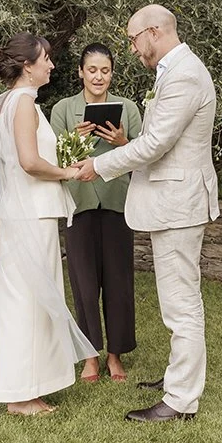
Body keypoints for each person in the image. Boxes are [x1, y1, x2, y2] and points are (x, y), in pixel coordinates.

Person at [77, 5, 217, 424]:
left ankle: (180, 401)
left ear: (153, 32)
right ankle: (179, 377)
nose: (134, 51)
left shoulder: (186, 74)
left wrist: (99, 165)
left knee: (182, 304)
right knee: (176, 299)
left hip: (179, 205)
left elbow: (155, 144)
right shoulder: (173, 72)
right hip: (170, 204)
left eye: (134, 41)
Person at [0, 32, 98, 416]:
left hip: (27, 213)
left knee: (31, 302)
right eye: (46, 59)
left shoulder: (10, 102)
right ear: (27, 65)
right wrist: (67, 174)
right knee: (28, 303)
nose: (52, 65)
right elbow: (29, 163)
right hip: (31, 215)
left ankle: (28, 388)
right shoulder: (22, 103)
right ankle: (19, 395)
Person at [48, 43, 143, 384]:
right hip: (80, 205)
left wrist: (121, 142)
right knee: (84, 284)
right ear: (80, 72)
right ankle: (90, 355)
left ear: (112, 73)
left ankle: (115, 356)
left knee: (118, 282)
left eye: (105, 71)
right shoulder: (63, 109)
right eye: (92, 70)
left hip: (119, 204)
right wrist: (74, 139)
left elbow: (144, 155)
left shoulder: (129, 109)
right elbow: (55, 160)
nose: (98, 76)